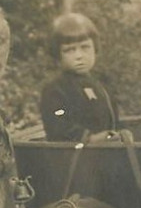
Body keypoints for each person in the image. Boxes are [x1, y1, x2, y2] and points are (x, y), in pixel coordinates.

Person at [40, 12, 120, 142]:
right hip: (71, 156)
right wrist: (89, 138)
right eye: (70, 50)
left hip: (106, 153)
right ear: (58, 55)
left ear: (95, 49)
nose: (79, 56)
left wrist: (117, 134)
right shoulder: (56, 89)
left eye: (85, 47)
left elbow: (111, 119)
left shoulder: (100, 84)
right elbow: (57, 123)